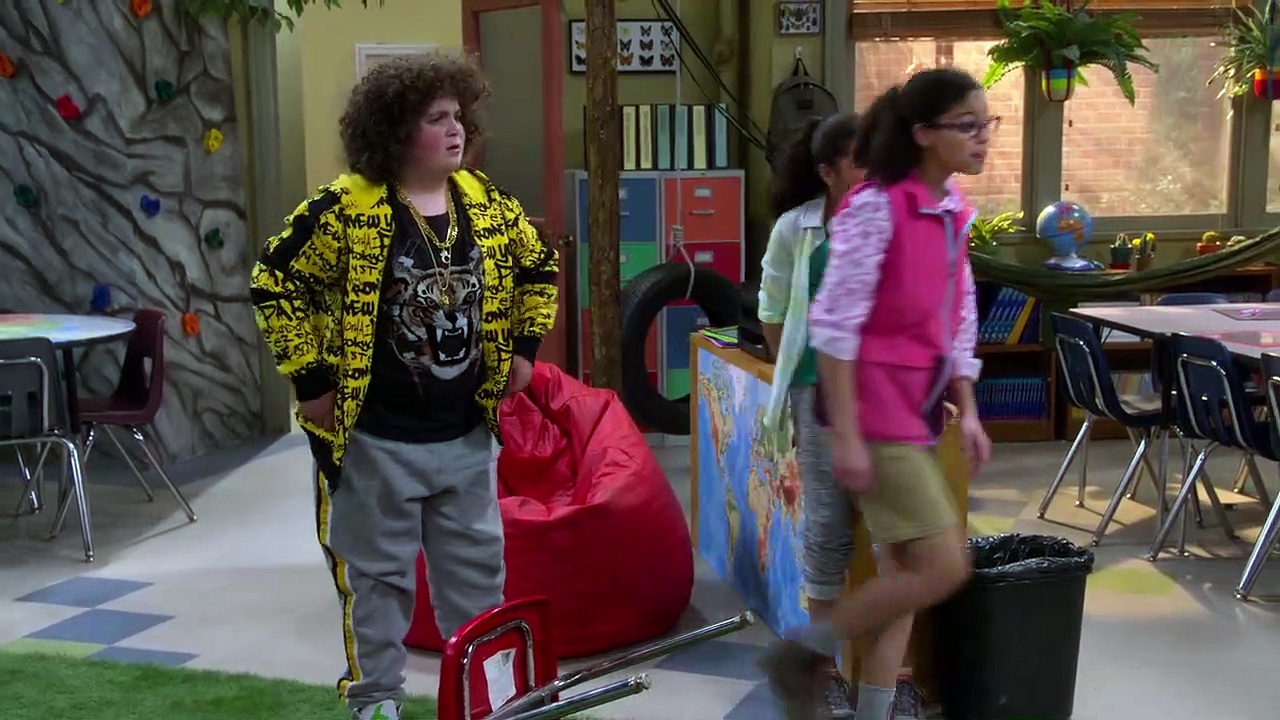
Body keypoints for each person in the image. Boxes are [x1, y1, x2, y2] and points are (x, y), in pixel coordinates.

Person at [249, 50, 559, 720]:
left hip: (467, 437)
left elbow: (540, 266)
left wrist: (525, 349)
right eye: (435, 118)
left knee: (479, 582)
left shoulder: (488, 203)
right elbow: (274, 281)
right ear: (394, 131)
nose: (455, 129)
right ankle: (376, 701)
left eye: (459, 116)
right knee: (378, 581)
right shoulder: (344, 209)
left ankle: (490, 701)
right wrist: (310, 379)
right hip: (375, 440)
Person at [760, 67, 993, 720]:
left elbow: (958, 316)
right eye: (967, 125)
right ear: (923, 133)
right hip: (874, 414)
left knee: (904, 579)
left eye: (987, 124)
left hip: (917, 416)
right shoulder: (876, 210)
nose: (982, 137)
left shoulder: (950, 213)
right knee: (945, 567)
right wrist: (848, 434)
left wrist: (970, 408)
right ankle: (806, 647)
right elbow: (833, 327)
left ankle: (872, 709)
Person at [758, 112, 863, 719]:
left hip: (882, 394)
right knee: (826, 524)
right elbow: (773, 306)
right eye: (859, 159)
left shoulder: (888, 221)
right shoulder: (796, 228)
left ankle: (884, 673)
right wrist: (792, 369)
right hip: (816, 392)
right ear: (827, 172)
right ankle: (826, 670)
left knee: (894, 532)